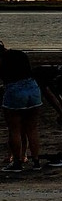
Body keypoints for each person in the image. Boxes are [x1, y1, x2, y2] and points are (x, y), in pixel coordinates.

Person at [1, 42, 42, 173]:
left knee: (14, 129)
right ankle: (36, 162)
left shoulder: (2, 60)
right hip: (33, 88)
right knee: (32, 128)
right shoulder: (20, 54)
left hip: (14, 91)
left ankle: (17, 162)